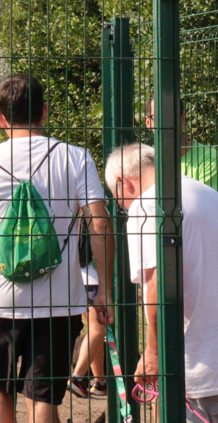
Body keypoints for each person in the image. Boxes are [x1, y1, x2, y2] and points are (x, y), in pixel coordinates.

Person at [0, 73, 115, 423]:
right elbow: (100, 224)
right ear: (44, 111)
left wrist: (2, 259)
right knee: (43, 397)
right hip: (59, 299)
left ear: (0, 119)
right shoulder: (75, 157)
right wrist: (104, 290)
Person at [105, 143, 218, 423]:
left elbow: (157, 284)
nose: (123, 208)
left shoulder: (147, 206)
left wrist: (154, 351)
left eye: (119, 201)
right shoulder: (207, 193)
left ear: (123, 183)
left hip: (197, 367)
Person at [145, 94, 218, 189]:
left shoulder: (210, 159)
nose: (165, 122)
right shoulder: (144, 162)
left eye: (171, 115)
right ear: (148, 122)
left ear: (182, 118)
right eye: (158, 116)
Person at [67, 263, 107, 399]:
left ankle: (100, 382)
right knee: (97, 330)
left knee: (95, 331)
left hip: (79, 279)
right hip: (95, 280)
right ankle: (77, 377)